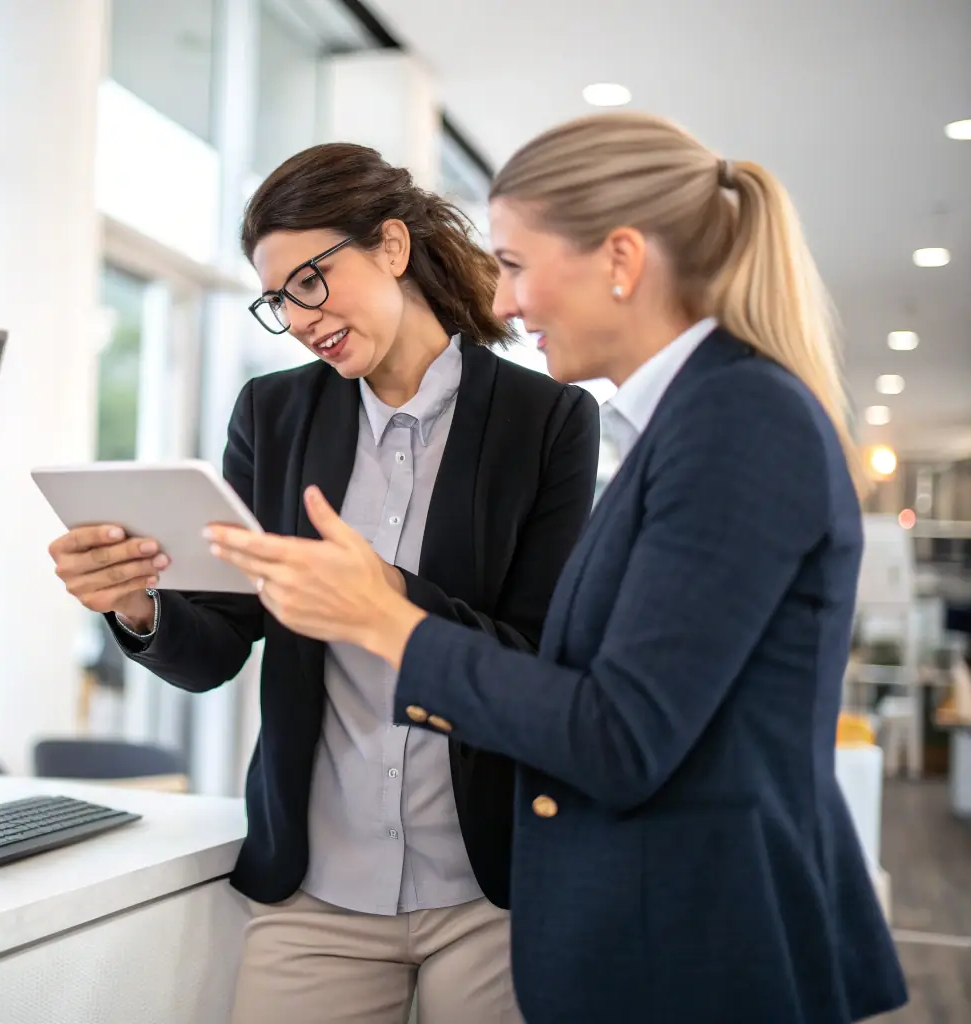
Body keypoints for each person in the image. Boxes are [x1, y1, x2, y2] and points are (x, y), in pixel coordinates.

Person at [205, 113, 909, 1023]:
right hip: (658, 928)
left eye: (517, 265)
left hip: (705, 940)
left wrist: (386, 617)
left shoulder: (736, 422)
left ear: (619, 259)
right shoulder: (695, 418)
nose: (501, 303)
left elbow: (618, 733)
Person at [48, 142, 599, 1023]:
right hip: (317, 892)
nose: (299, 318)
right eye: (277, 301)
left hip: (488, 887)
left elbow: (538, 658)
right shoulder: (272, 414)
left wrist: (381, 594)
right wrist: (135, 601)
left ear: (390, 245)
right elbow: (217, 647)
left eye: (310, 280)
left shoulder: (547, 420)